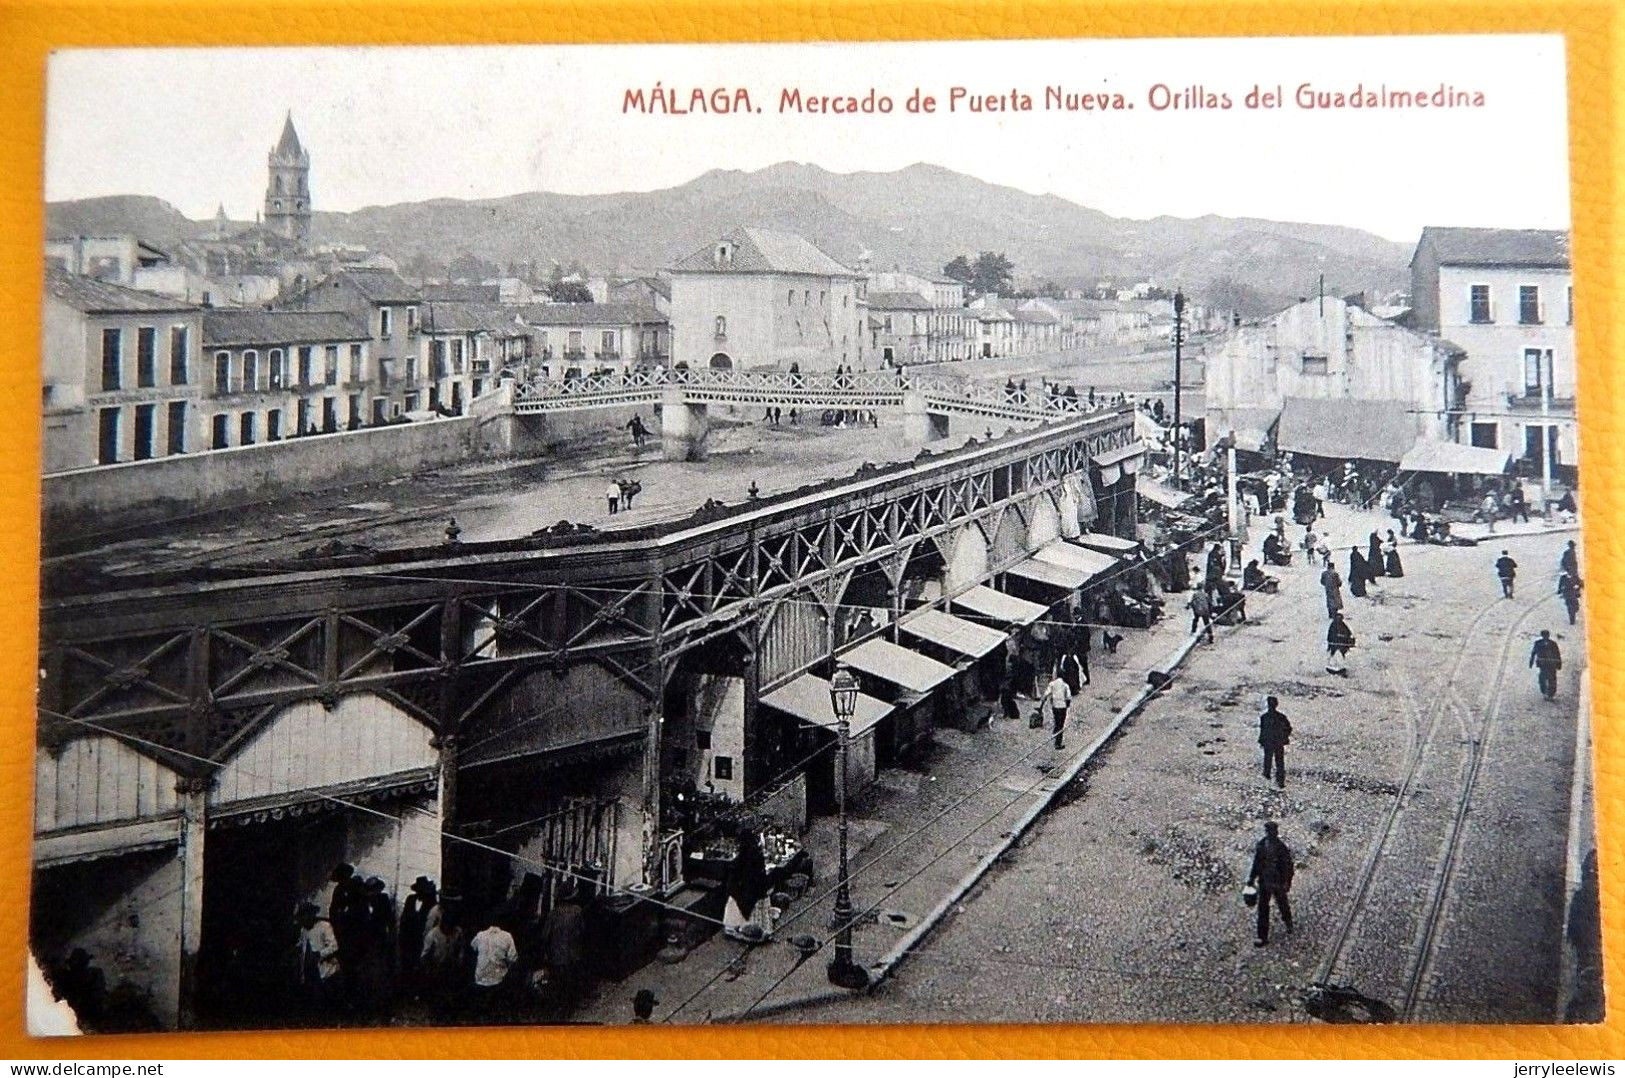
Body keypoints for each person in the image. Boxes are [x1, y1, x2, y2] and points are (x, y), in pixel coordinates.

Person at [539, 886, 588, 1014]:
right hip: (574, 954)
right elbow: (582, 930)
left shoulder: (553, 914)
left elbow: (544, 937)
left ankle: (560, 1007)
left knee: (559, 983)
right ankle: (571, 1005)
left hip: (557, 957)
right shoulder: (577, 911)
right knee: (571, 980)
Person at [1246, 822, 1295, 946]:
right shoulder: (1261, 846)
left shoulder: (1281, 848)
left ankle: (1288, 922)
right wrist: (1251, 878)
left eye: (1273, 831)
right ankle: (1262, 936)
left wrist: (1287, 882)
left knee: (1282, 904)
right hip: (1264, 882)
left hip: (1277, 882)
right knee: (1263, 909)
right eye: (1269, 831)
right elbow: (1256, 863)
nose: (1271, 833)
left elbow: (1288, 866)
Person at [723, 824, 772, 941]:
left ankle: (739, 928)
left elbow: (739, 872)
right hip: (757, 887)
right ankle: (760, 930)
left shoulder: (744, 854)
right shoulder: (757, 852)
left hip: (749, 887)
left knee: (736, 900)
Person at [295, 903, 341, 1011]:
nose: (304, 919)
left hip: (327, 969)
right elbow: (301, 945)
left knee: (329, 998)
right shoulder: (304, 930)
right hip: (309, 970)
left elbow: (334, 946)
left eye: (306, 915)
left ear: (312, 914)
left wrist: (320, 954)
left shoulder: (324, 926)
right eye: (302, 916)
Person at [470, 916, 519, 1014]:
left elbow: (472, 947)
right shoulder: (507, 936)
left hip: (480, 980)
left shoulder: (480, 935)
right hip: (498, 981)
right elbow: (513, 958)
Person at [398, 876, 440, 985]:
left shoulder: (432, 905)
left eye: (424, 891)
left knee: (419, 968)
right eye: (420, 890)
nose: (422, 893)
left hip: (421, 941)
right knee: (405, 966)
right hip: (407, 940)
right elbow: (404, 919)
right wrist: (402, 936)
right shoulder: (410, 899)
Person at [1258, 697, 1292, 789]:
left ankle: (1270, 779)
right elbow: (1288, 728)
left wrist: (1261, 740)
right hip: (1276, 742)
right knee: (1276, 762)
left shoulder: (1265, 717)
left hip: (1272, 742)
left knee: (1272, 761)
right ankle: (1278, 780)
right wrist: (1284, 737)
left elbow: (1263, 731)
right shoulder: (1280, 717)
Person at [1530, 630, 1563, 700]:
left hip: (1552, 664)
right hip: (1543, 664)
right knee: (1542, 678)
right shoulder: (1538, 643)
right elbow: (1533, 653)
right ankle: (1544, 692)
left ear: (1548, 636)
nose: (1545, 637)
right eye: (1544, 635)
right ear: (1542, 636)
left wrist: (1559, 663)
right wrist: (1531, 662)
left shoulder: (1553, 644)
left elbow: (1557, 654)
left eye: (1547, 635)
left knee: (1552, 679)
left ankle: (1551, 694)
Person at [1044, 672, 1073, 750]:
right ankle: (1058, 743)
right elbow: (1069, 697)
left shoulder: (1052, 684)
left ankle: (1055, 734)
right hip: (1062, 706)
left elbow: (1046, 693)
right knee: (1061, 724)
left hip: (1055, 706)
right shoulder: (1065, 685)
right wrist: (1068, 705)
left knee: (1057, 721)